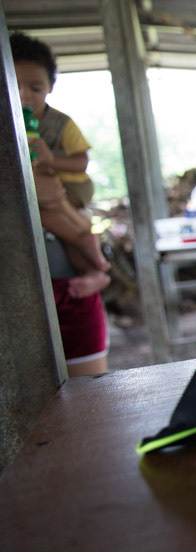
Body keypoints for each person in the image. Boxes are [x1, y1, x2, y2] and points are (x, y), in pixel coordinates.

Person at [12, 31, 110, 376]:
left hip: (69, 193)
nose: (24, 95)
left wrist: (51, 161)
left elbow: (81, 163)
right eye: (15, 85)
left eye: (35, 88)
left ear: (50, 87)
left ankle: (96, 267)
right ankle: (96, 267)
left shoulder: (60, 124)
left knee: (74, 227)